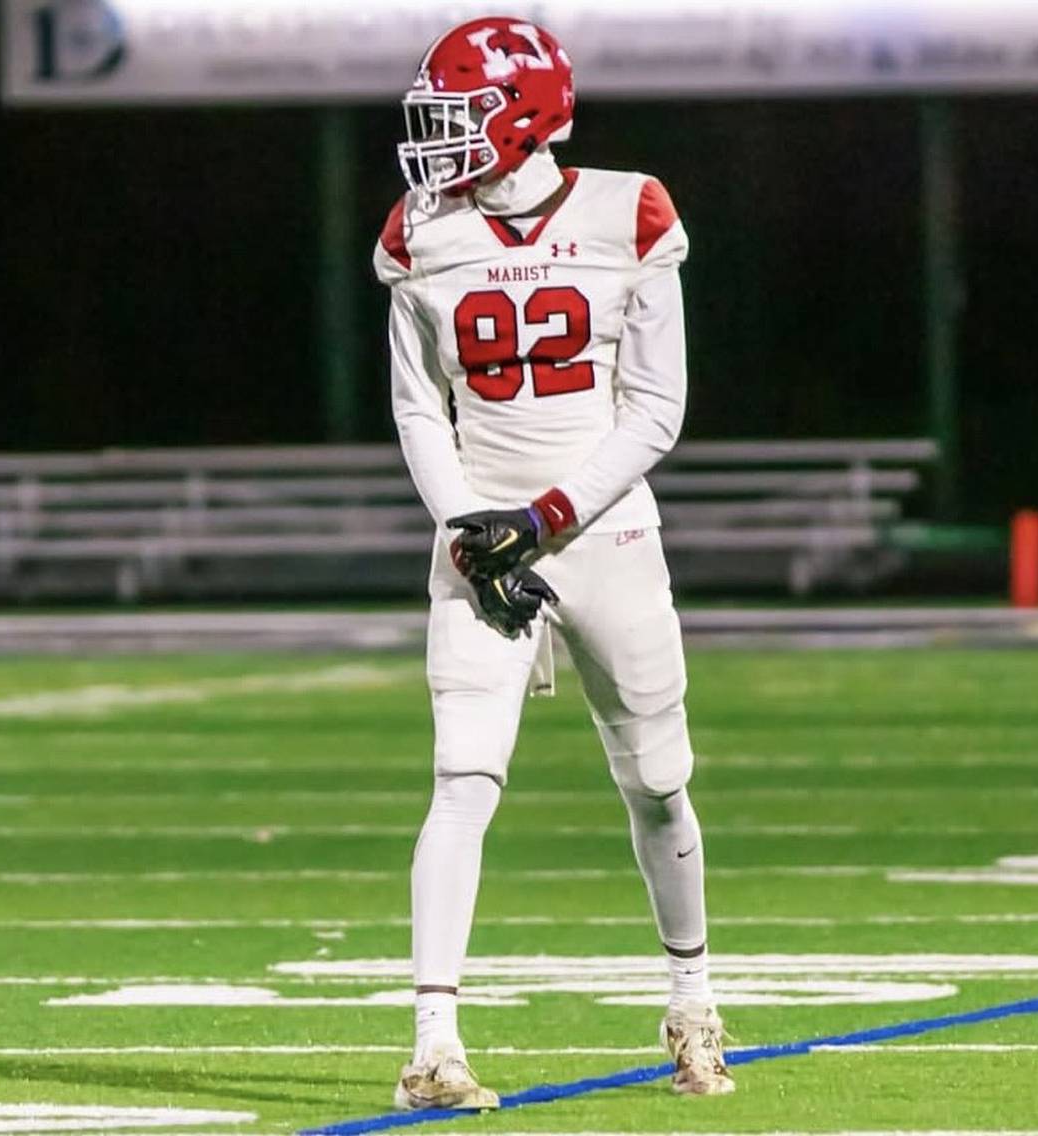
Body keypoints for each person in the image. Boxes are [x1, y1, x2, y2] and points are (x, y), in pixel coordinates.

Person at [372, 15, 734, 1111]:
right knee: (462, 775)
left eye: (460, 114)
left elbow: (657, 409)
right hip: (483, 538)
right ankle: (433, 1040)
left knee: (659, 779)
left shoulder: (633, 210)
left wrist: (547, 514)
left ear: (523, 115)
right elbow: (419, 410)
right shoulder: (420, 233)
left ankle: (693, 999)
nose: (438, 141)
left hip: (606, 531)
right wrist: (471, 529)